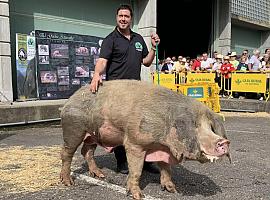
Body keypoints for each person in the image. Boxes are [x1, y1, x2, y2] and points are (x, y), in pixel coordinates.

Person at [90, 4, 160, 174]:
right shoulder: (110, 39)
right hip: (117, 92)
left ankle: (146, 160)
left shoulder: (137, 39)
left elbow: (147, 62)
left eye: (126, 16)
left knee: (141, 126)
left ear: (131, 19)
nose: (123, 19)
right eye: (120, 16)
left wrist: (153, 47)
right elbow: (102, 60)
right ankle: (122, 162)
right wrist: (96, 74)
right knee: (120, 128)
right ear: (116, 18)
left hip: (136, 92)